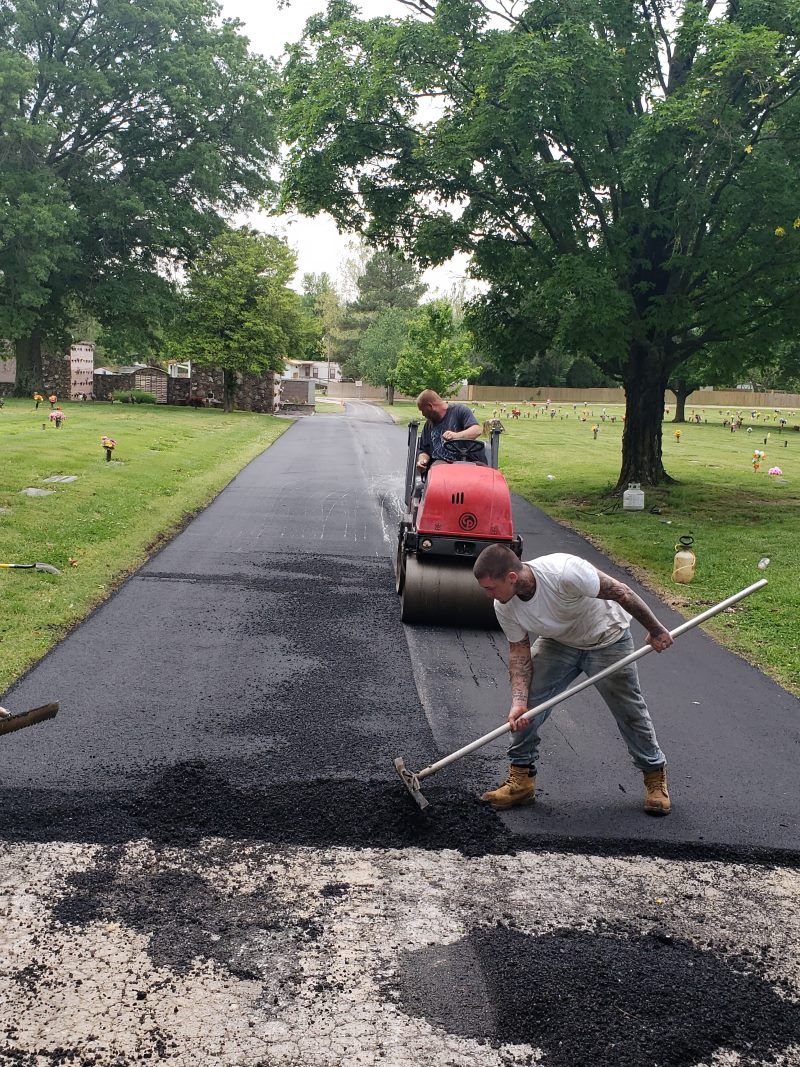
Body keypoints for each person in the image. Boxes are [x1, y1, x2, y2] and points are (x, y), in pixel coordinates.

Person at [473, 544, 673, 816]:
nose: (489, 595)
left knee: (629, 711)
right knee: (527, 709)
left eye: (490, 588)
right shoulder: (504, 606)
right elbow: (518, 651)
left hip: (607, 638)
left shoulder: (565, 572)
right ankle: (521, 780)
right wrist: (519, 702)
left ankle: (654, 778)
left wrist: (656, 629)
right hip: (559, 644)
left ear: (511, 577)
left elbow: (621, 592)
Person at [416, 389, 486, 471]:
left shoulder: (460, 410)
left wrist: (456, 436)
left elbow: (477, 430)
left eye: (422, 410)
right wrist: (422, 461)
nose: (423, 414)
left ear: (430, 406)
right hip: (442, 464)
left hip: (470, 461)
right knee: (437, 470)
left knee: (485, 476)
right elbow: (424, 451)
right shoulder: (428, 425)